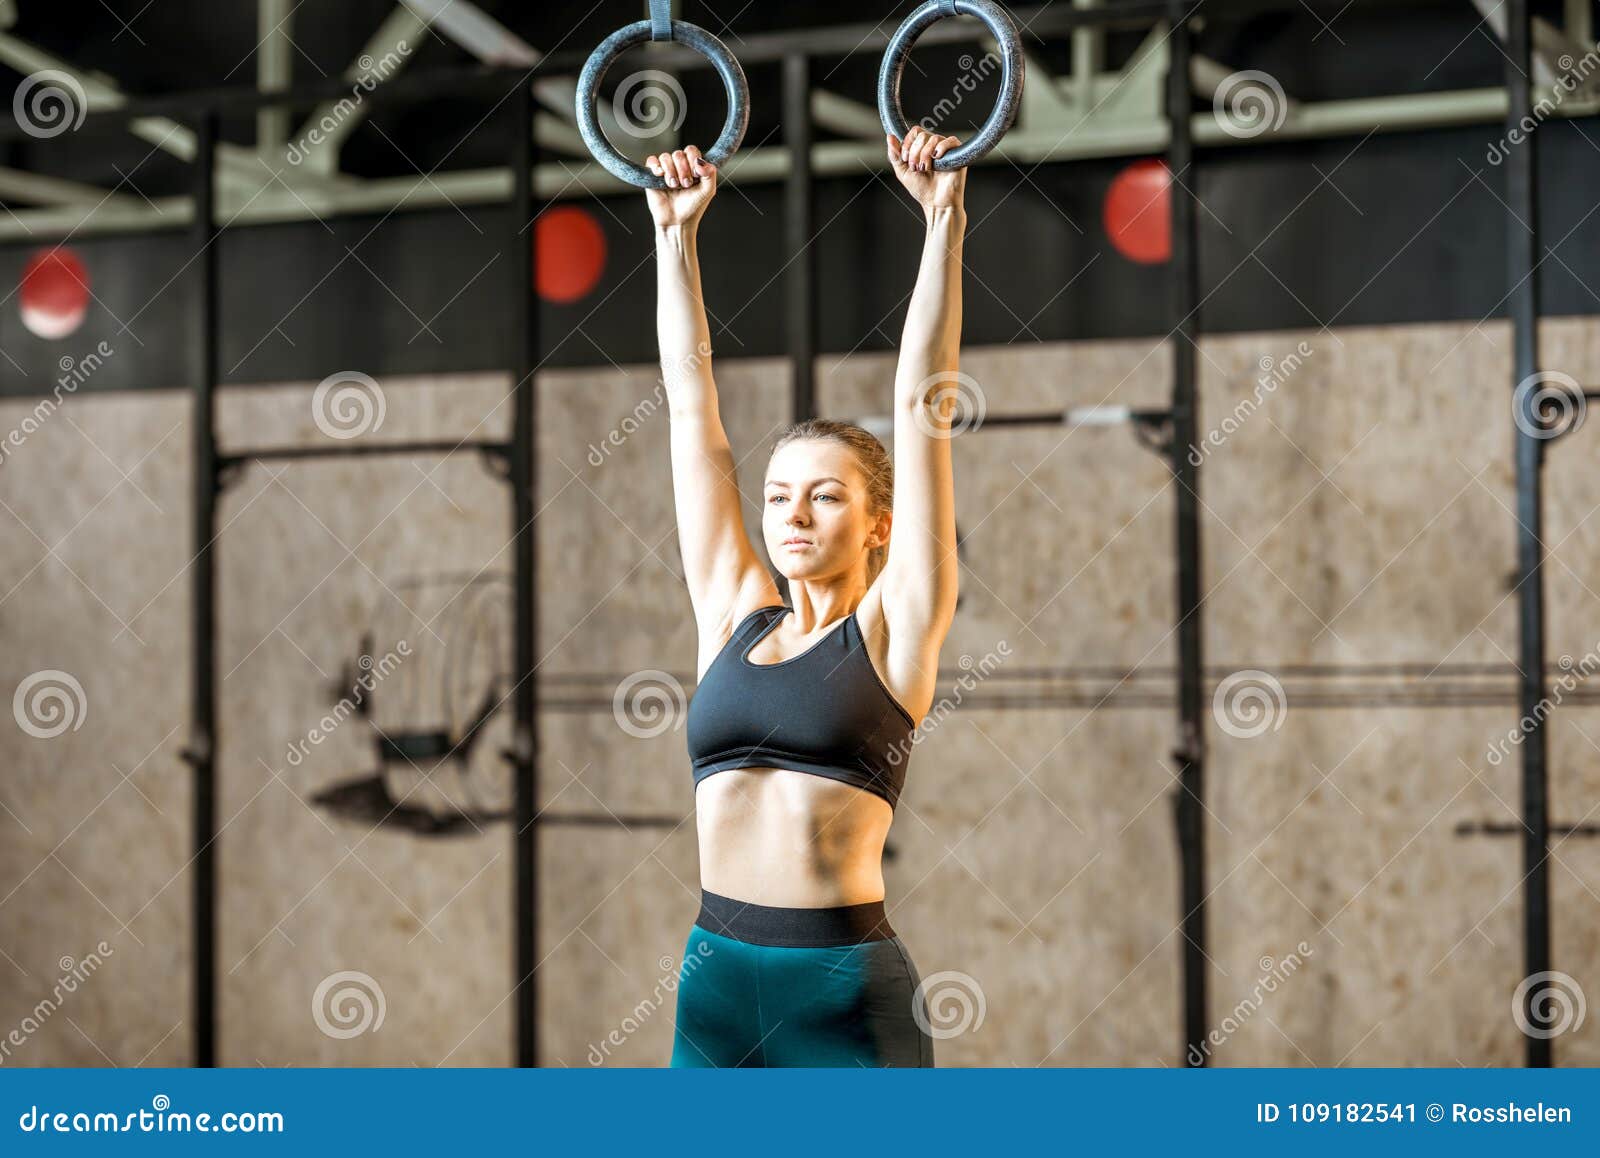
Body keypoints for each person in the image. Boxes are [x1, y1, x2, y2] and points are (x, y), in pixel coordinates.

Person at [649, 125, 965, 1067]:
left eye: (827, 496)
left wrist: (943, 216)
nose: (794, 514)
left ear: (878, 524)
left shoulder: (897, 625)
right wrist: (675, 236)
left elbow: (922, 405)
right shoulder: (732, 610)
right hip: (712, 984)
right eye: (779, 495)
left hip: (840, 993)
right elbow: (689, 408)